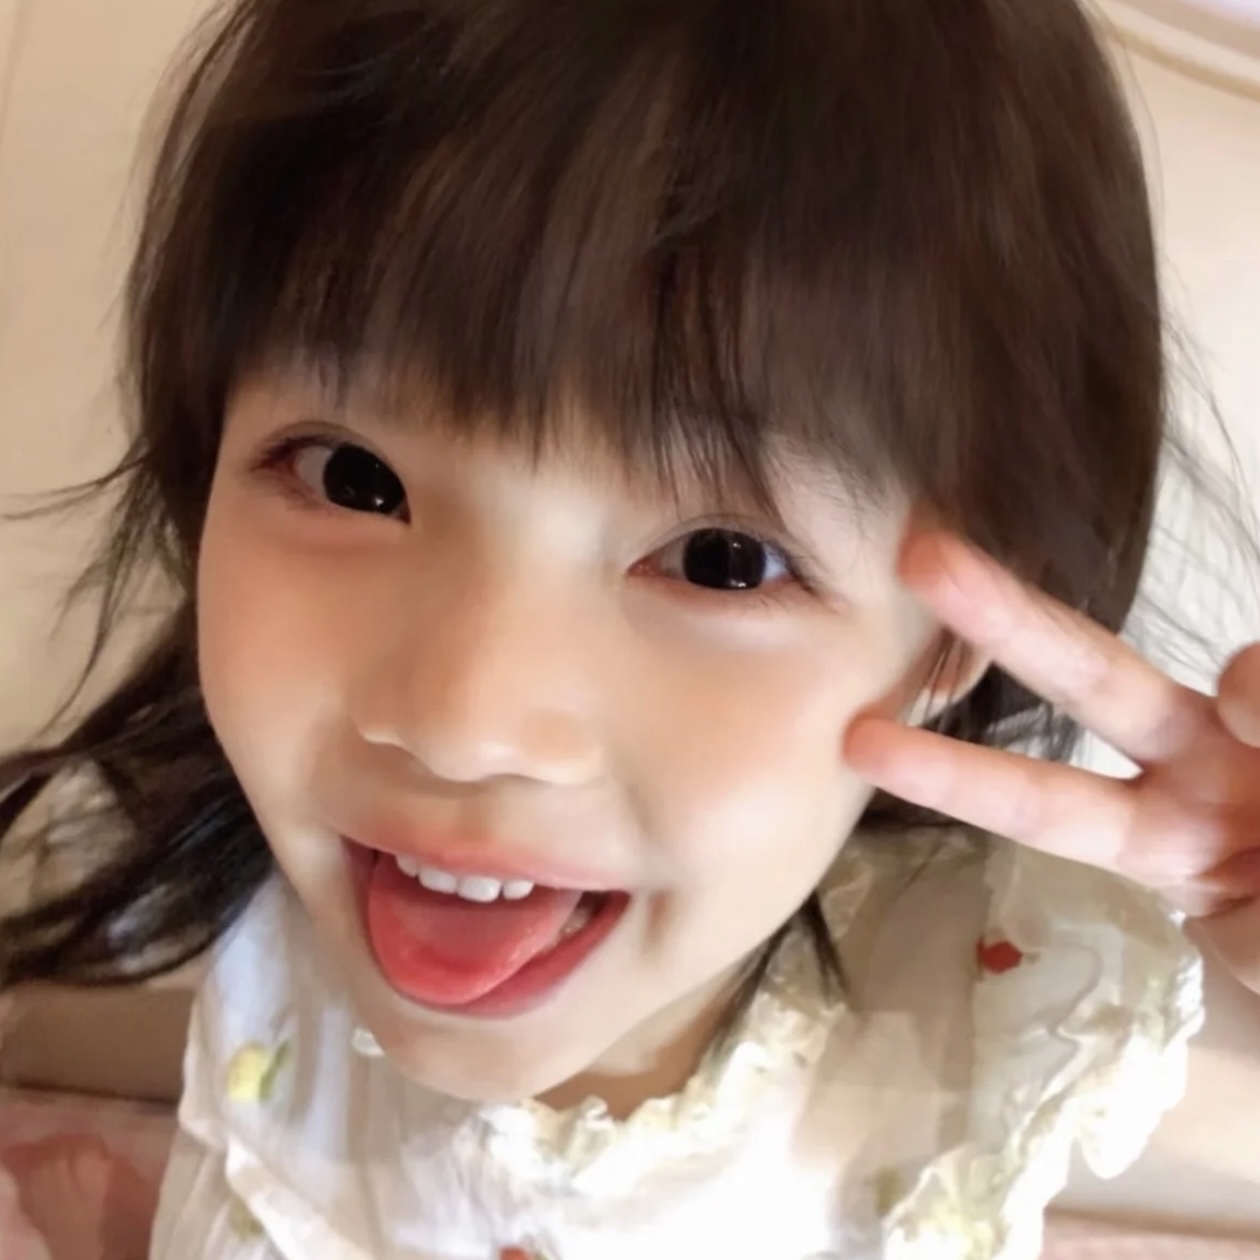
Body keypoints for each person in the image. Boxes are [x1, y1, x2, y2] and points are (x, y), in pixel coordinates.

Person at [1, 0, 1258, 1255]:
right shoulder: (222, 856)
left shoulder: (994, 995)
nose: (460, 724)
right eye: (353, 478)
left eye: (721, 562)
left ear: (952, 634)